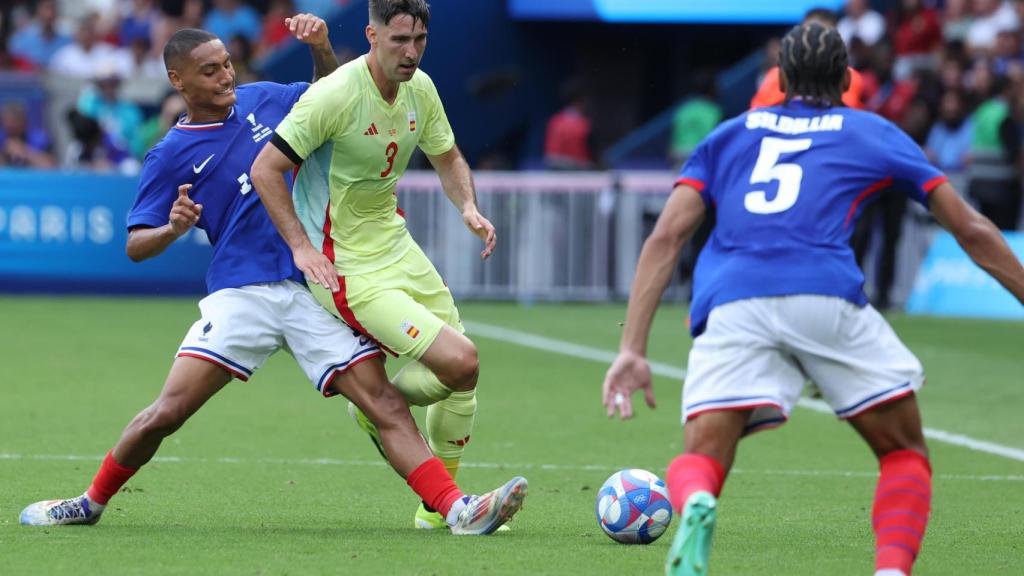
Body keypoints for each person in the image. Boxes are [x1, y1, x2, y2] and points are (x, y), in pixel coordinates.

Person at [20, 15, 526, 536]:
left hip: (313, 285)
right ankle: (90, 501)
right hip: (243, 293)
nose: (226, 77)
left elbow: (334, 94)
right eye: (211, 71)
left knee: (383, 403)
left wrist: (320, 47)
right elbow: (134, 245)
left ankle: (455, 509)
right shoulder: (170, 152)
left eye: (227, 65)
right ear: (178, 80)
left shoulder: (267, 97)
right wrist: (171, 228)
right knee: (168, 412)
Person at [602, 23, 1024, 576]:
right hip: (823, 295)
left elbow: (666, 238)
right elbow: (969, 229)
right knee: (902, 452)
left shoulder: (730, 135)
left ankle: (699, 503)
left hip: (732, 302)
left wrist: (633, 348)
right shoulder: (872, 132)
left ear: (779, 79)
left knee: (701, 458)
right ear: (848, 78)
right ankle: (892, 569)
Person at [251, 0, 499, 531]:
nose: (411, 52)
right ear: (371, 34)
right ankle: (376, 405)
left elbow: (448, 156)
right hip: (346, 267)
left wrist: (469, 206)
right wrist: (300, 246)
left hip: (396, 246)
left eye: (420, 40)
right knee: (461, 363)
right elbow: (266, 169)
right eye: (399, 40)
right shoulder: (336, 94)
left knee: (464, 380)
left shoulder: (421, 89)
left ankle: (436, 510)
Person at [750, 8, 864, 110]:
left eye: (823, 36)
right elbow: (755, 116)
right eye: (807, 34)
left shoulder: (851, 78)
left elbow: (848, 118)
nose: (813, 41)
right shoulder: (776, 75)